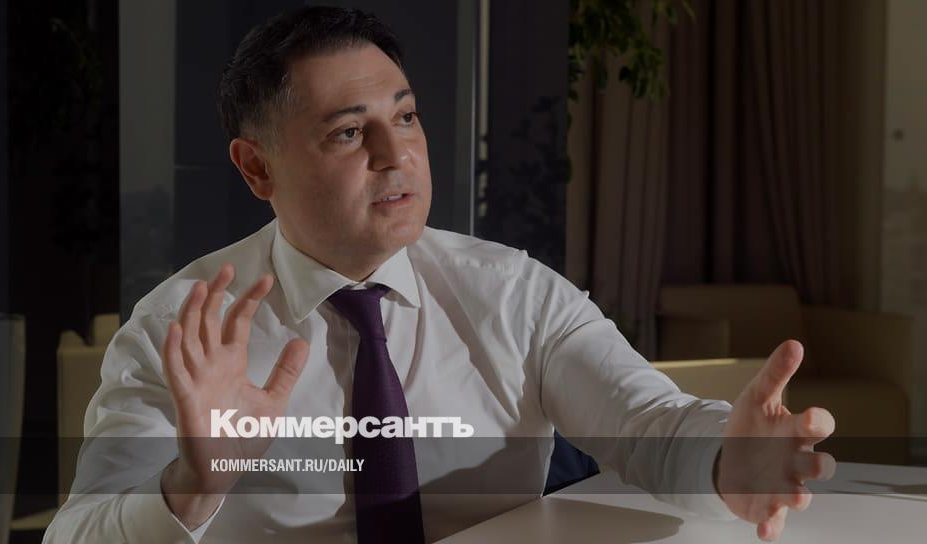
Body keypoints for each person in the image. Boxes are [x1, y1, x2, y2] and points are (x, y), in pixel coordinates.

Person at [44, 6, 835, 543]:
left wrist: (727, 459)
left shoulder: (514, 292)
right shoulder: (184, 330)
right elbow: (74, 535)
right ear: (257, 168)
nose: (398, 155)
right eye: (349, 133)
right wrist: (195, 479)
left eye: (407, 116)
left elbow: (649, 423)